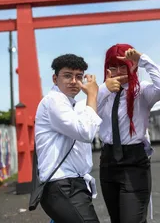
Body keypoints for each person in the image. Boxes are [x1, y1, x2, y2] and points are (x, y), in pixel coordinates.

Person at [97, 44, 160, 223]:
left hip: (134, 162)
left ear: (133, 66)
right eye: (113, 67)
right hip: (108, 162)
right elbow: (88, 112)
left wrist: (142, 60)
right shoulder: (102, 92)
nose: (118, 72)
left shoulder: (142, 91)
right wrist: (104, 89)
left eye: (124, 65)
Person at [35, 54, 101, 223]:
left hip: (70, 184)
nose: (73, 81)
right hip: (63, 185)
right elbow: (86, 133)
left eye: (79, 77)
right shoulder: (54, 101)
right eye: (67, 75)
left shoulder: (69, 103)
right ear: (55, 78)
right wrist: (92, 95)